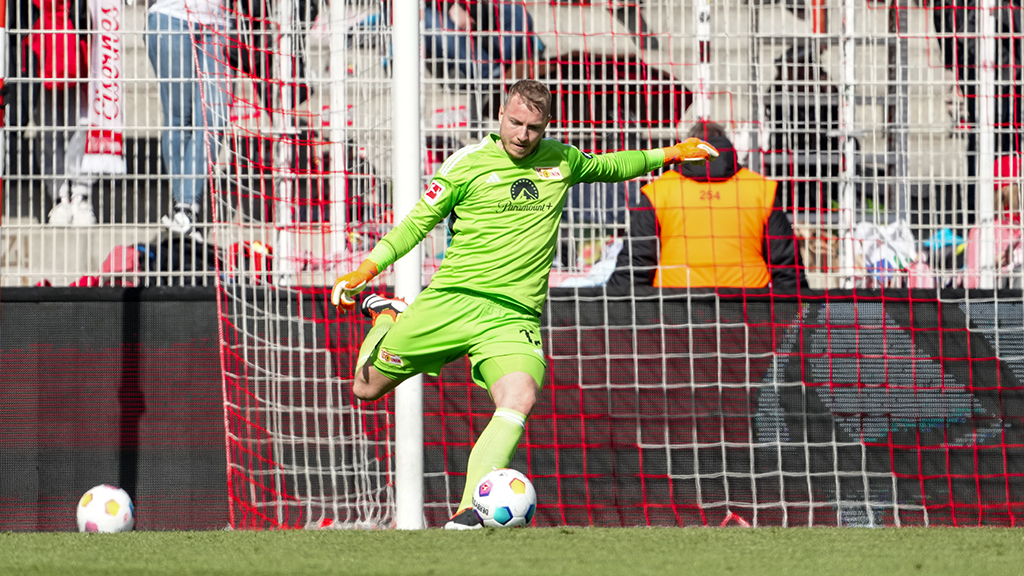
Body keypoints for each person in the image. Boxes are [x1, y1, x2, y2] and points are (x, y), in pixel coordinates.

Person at [330, 79, 719, 529]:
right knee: (365, 388)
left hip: (513, 317)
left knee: (519, 395)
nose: (522, 135)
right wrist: (366, 269)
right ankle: (385, 316)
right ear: (500, 114)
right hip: (451, 303)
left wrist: (667, 155)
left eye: (533, 127)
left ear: (546, 126)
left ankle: (468, 514)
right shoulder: (467, 164)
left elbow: (613, 165)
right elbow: (417, 224)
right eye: (515, 123)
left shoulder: (561, 160)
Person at [607, 121, 805, 290]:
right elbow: (787, 266)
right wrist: (799, 320)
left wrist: (613, 312)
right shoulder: (760, 189)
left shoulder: (659, 191)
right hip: (748, 307)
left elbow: (636, 263)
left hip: (674, 308)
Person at [147, 0, 230, 241]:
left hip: (218, 20)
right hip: (170, 14)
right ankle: (186, 210)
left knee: (216, 116)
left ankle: (184, 211)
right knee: (177, 119)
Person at [21, 0, 97, 225]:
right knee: (48, 124)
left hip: (79, 38)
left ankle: (80, 195)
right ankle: (59, 196)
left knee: (83, 122)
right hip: (41, 38)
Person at [423, 0, 543, 85]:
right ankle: (485, 71)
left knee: (519, 15)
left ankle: (497, 65)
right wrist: (451, 6)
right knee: (432, 21)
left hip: (476, 11)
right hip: (438, 11)